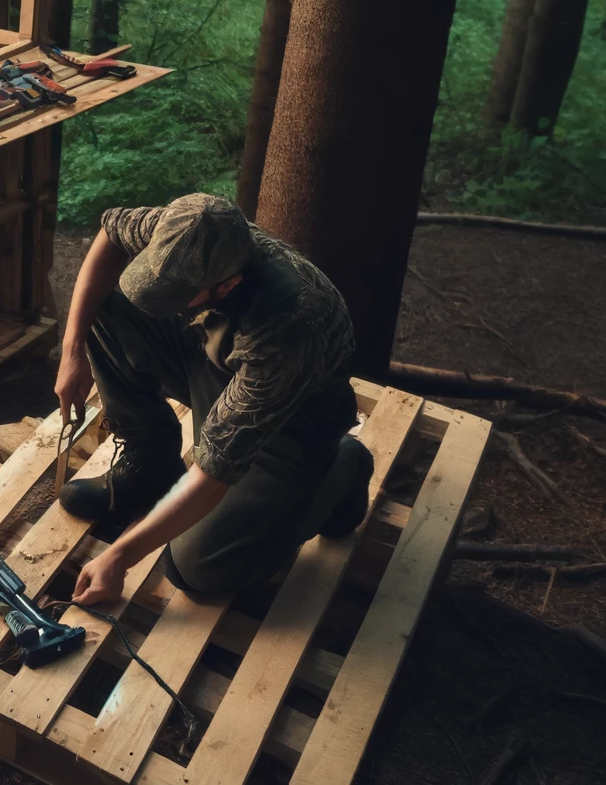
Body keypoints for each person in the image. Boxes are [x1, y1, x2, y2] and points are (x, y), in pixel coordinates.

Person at [60, 193, 374, 606]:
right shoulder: (187, 228)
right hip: (219, 362)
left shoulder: (287, 327)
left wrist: (118, 557)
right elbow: (110, 232)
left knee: (197, 567)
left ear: (227, 285)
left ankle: (341, 468)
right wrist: (72, 350)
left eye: (176, 295)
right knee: (108, 302)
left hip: (290, 422)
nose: (161, 303)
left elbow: (215, 471)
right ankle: (149, 466)